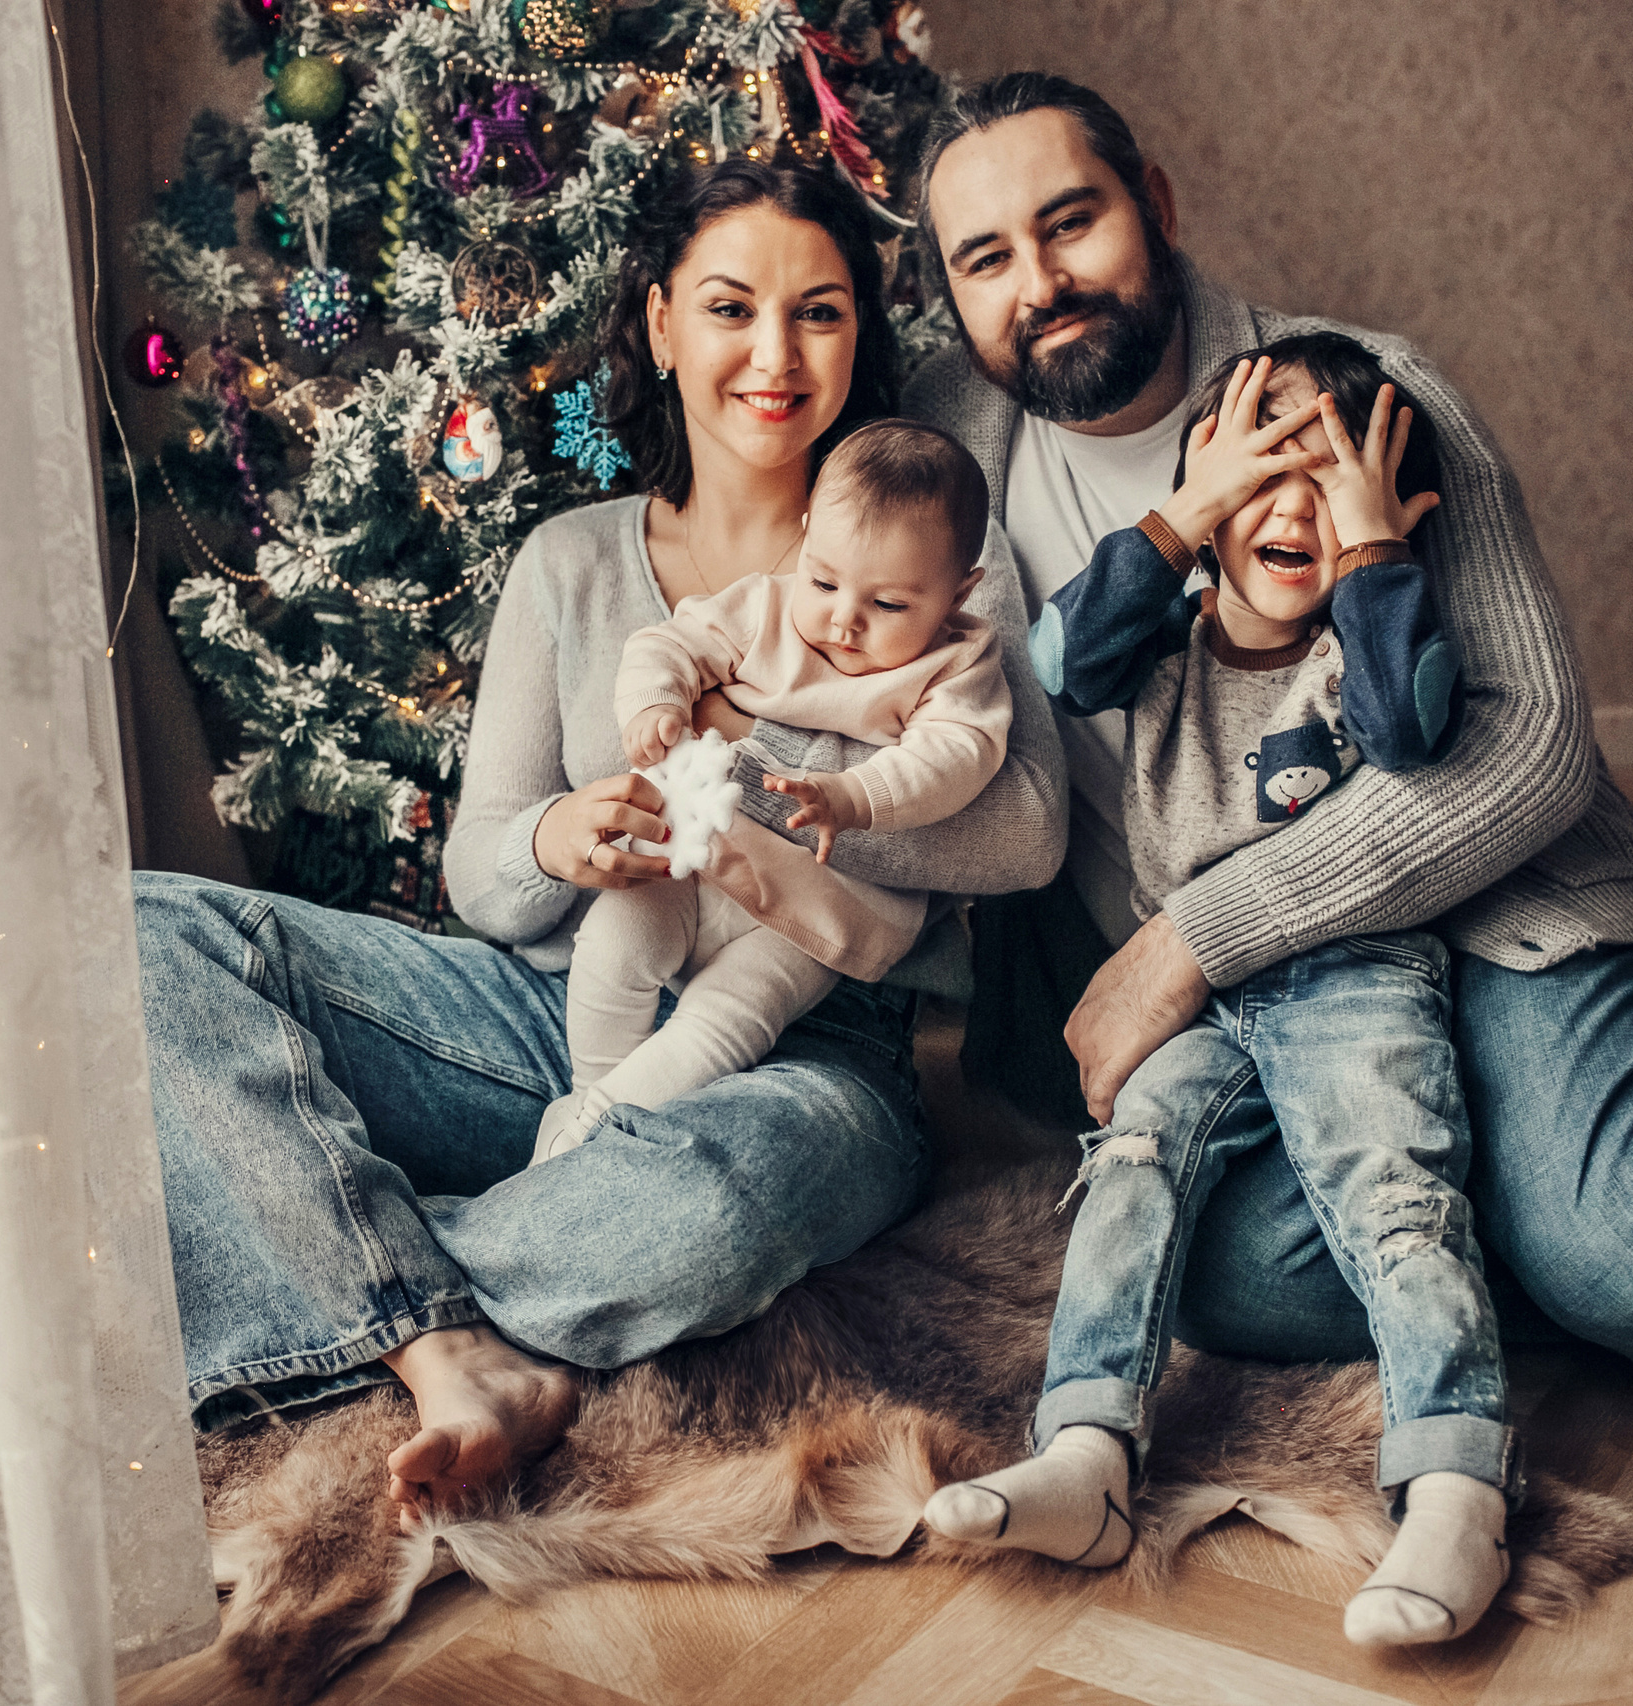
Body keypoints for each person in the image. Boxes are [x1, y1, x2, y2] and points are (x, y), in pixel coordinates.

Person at [905, 71, 1633, 1379]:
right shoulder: (938, 445)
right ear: (948, 288)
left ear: (1156, 204)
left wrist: (1194, 936)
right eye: (985, 257)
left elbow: (1531, 741)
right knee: (1233, 1274)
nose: (1040, 283)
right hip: (1287, 1001)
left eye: (1071, 221)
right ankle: (1545, 1219)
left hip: (1493, 907)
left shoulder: (1364, 392)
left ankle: (1612, 1235)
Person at [133, 158, 1066, 1513]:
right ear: (661, 324)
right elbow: (480, 874)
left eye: (818, 312)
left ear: (860, 334)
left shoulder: (945, 562)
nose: (774, 354)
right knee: (149, 932)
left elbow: (1026, 833)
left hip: (814, 1048)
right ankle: (447, 1342)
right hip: (548, 1004)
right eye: (730, 307)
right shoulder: (570, 562)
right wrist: (559, 838)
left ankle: (338, 1269)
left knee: (712, 1207)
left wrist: (759, 790)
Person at [930, 337, 1519, 1648]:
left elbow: (1410, 727)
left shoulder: (1368, 644)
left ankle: (1456, 1484)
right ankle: (1087, 1451)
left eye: (1330, 473)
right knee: (1130, 1160)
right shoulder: (1160, 641)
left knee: (1393, 1191)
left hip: (1352, 972)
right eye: (1263, 466)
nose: (1294, 502)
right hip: (1193, 997)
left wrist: (1374, 551)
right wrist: (1185, 511)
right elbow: (1059, 658)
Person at [543, 419, 1008, 1162]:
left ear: (959, 593)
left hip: (823, 906)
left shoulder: (956, 665)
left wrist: (854, 797)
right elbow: (667, 643)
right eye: (824, 582)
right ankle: (588, 1101)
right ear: (806, 537)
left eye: (890, 605)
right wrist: (656, 704)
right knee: (614, 940)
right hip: (696, 856)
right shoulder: (763, 608)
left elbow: (958, 754)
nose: (844, 619)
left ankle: (597, 1127)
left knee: (729, 1017)